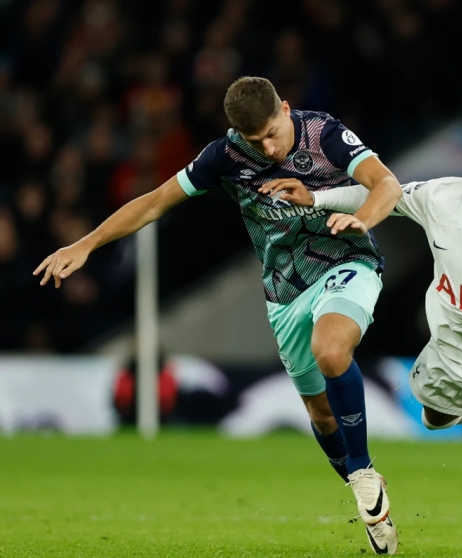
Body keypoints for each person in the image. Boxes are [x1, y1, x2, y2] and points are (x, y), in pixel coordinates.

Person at [34, 76, 402, 554]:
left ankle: (362, 471)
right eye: (256, 140)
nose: (269, 149)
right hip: (284, 291)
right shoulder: (224, 156)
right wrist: (85, 244)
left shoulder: (324, 133)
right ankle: (366, 492)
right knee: (321, 414)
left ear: (285, 108)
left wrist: (362, 219)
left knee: (331, 350)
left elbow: (386, 183)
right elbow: (154, 202)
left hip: (346, 262)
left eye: (273, 133)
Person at [262, 97, 462, 510]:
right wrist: (318, 198)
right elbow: (380, 194)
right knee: (433, 420)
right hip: (449, 348)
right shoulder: (439, 198)